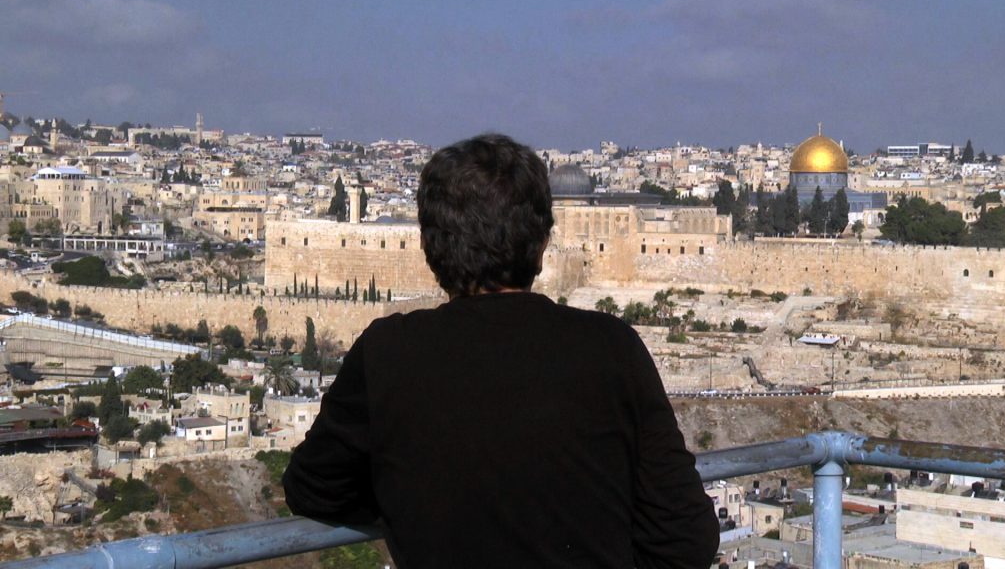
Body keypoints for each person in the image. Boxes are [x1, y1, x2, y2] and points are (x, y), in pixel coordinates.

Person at [283, 134, 718, 568]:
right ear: (542, 245)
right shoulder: (612, 348)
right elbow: (686, 537)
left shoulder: (388, 353)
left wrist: (405, 496)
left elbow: (312, 488)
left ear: (429, 247)